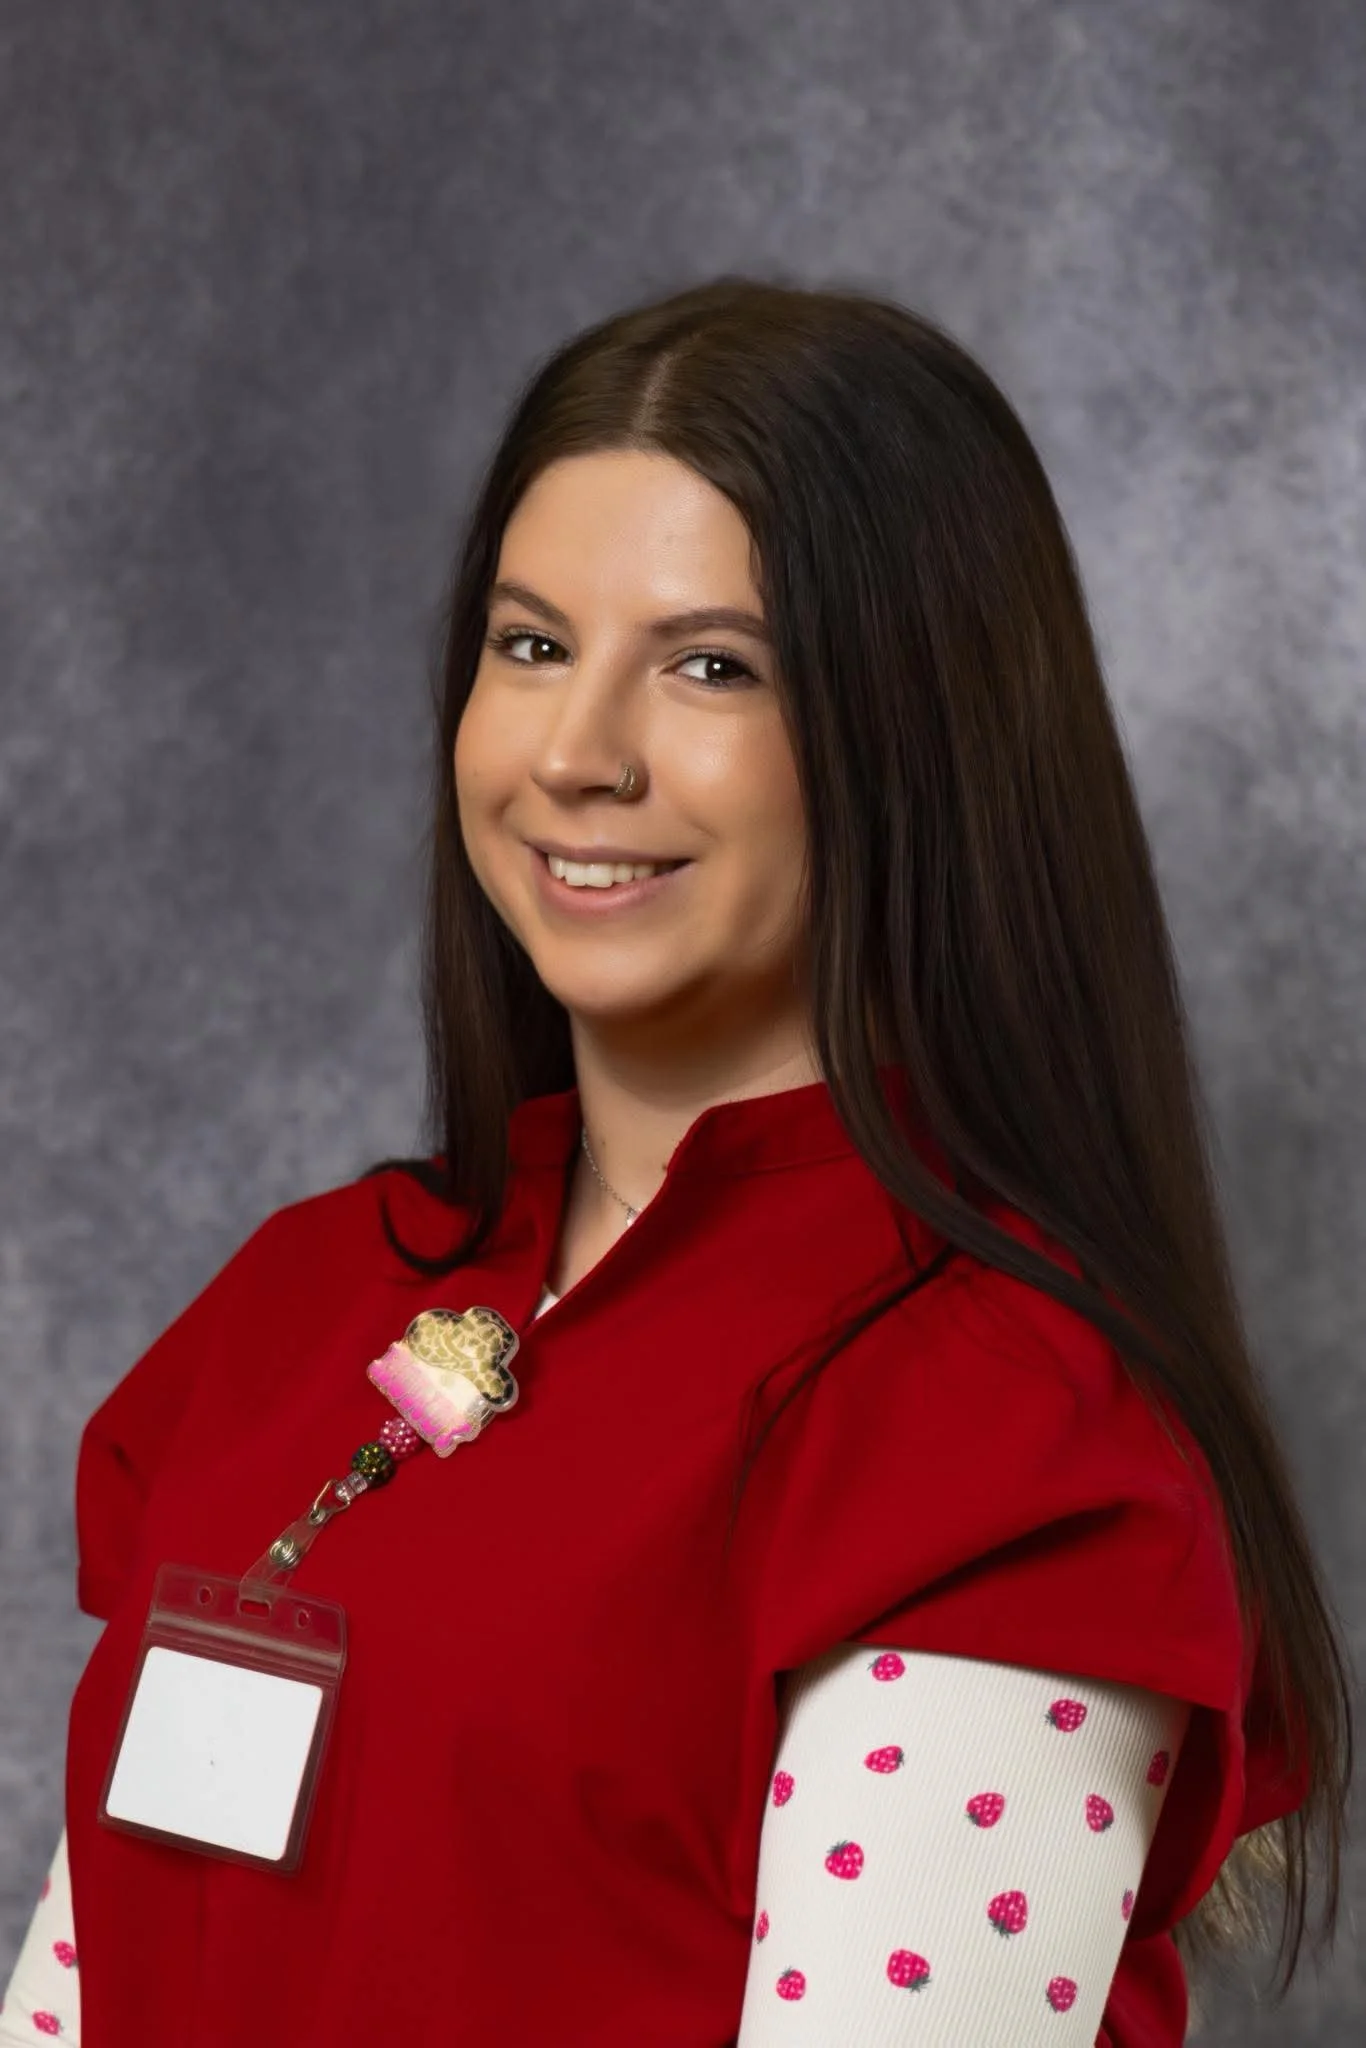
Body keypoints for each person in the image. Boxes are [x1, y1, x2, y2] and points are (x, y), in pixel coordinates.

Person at [1, 276, 1351, 2047]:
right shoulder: (311, 1292)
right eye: (531, 644)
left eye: (711, 665)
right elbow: (86, 1986)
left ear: (915, 743)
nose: (576, 754)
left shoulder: (995, 1422)